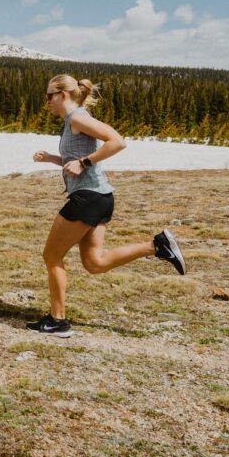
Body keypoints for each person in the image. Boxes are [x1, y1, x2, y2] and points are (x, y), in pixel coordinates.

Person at [28, 74, 186, 338]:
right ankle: (157, 246)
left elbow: (118, 141)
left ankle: (58, 321)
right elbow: (74, 160)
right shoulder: (74, 120)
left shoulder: (79, 117)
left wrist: (84, 163)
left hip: (88, 198)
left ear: (63, 94)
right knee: (95, 263)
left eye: (49, 96)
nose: (46, 102)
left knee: (52, 256)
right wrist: (53, 159)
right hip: (101, 197)